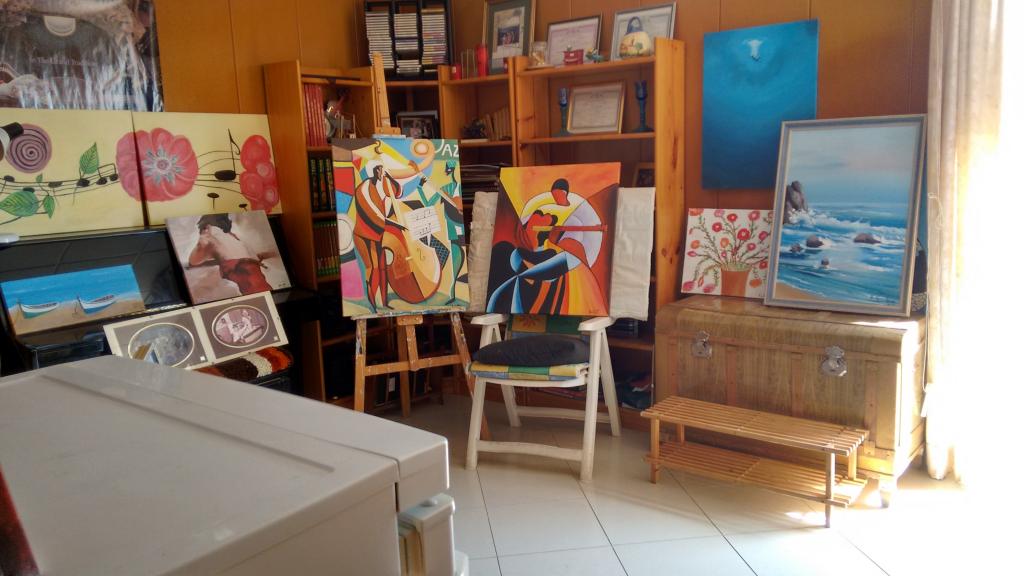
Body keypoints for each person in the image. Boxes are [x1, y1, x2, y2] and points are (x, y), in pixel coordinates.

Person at [352, 161, 404, 312]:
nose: (384, 172)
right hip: (364, 235)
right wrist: (393, 224)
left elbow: (398, 191)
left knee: (383, 269)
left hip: (379, 235)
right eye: (382, 169)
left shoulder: (384, 188)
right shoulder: (364, 188)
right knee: (374, 268)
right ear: (376, 171)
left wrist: (390, 177)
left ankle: (384, 302)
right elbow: (372, 213)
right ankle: (372, 304)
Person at [188, 214, 273, 294]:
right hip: (259, 288)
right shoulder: (232, 238)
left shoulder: (215, 238)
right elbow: (194, 260)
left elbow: (193, 261)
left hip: (257, 289)